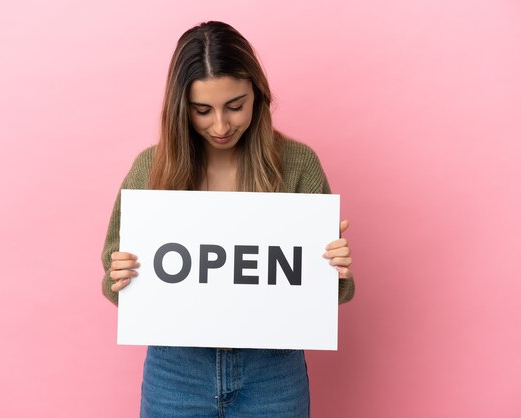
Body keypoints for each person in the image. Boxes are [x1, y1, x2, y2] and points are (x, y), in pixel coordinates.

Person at [101, 21, 355, 418]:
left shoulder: (297, 164)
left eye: (235, 106)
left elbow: (327, 297)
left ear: (258, 94)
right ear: (180, 108)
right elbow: (116, 285)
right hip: (177, 370)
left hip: (273, 370)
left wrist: (332, 270)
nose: (220, 126)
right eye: (203, 110)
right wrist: (122, 275)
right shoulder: (151, 169)